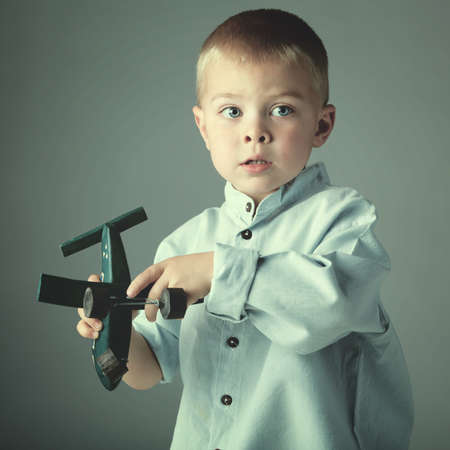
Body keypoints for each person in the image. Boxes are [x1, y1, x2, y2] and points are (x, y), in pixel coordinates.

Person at [76, 9, 414, 450]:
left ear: (322, 124)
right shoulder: (185, 244)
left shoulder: (345, 220)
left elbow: (331, 305)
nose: (255, 131)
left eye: (282, 110)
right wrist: (113, 335)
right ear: (203, 126)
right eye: (232, 111)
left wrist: (221, 271)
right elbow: (153, 364)